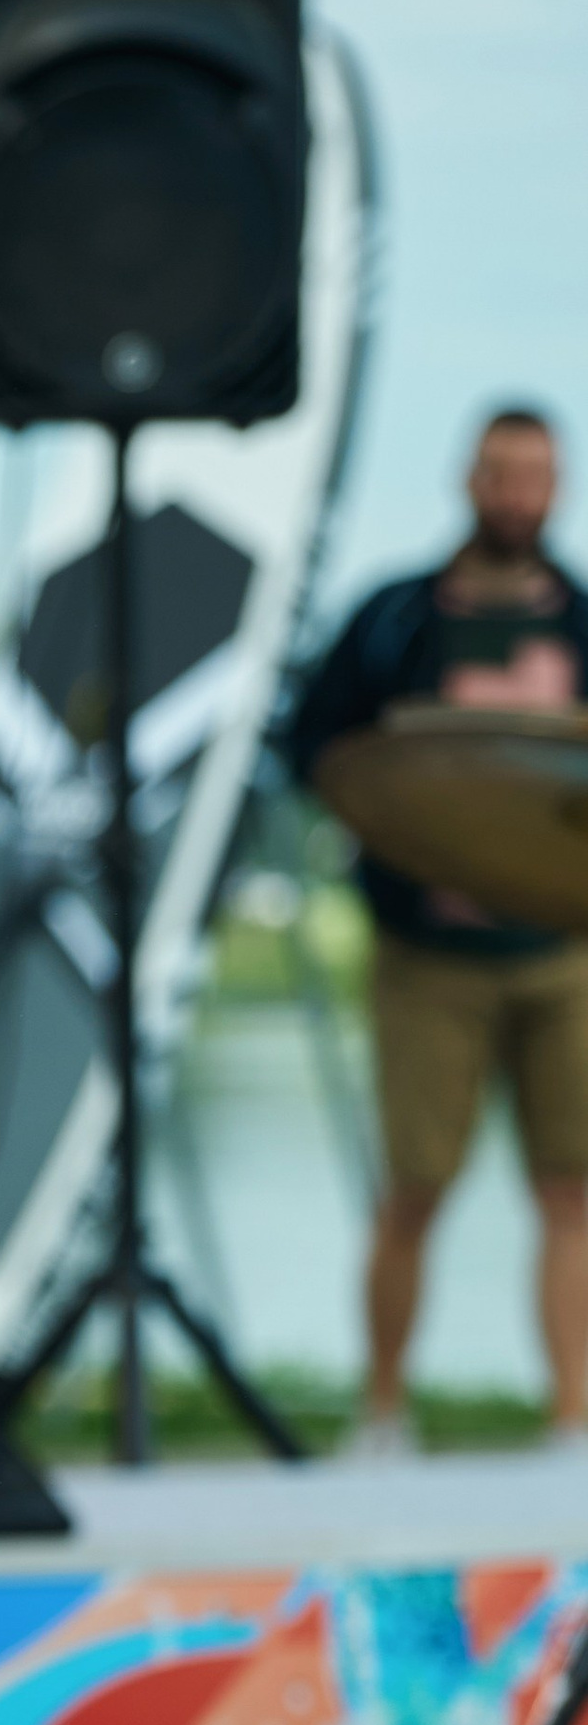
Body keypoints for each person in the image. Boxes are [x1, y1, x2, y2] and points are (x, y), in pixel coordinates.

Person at [286, 406, 588, 1455]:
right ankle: (379, 1413)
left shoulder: (580, 619)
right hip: (430, 957)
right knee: (413, 1187)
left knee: (570, 1189)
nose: (516, 495)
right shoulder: (395, 620)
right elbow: (315, 747)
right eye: (501, 473)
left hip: (562, 954)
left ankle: (571, 1423)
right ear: (469, 479)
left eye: (536, 476)